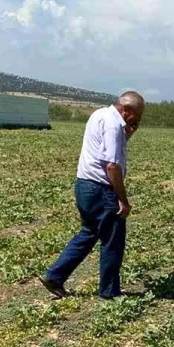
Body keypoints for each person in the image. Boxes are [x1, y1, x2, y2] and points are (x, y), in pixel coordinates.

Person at [39, 91, 145, 300]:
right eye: (137, 115)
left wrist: (129, 133)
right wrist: (123, 200)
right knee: (113, 240)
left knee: (89, 232)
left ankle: (55, 276)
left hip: (84, 185)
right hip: (101, 189)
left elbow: (106, 149)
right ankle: (109, 292)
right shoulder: (114, 126)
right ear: (126, 110)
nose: (138, 120)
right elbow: (112, 166)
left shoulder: (100, 115)